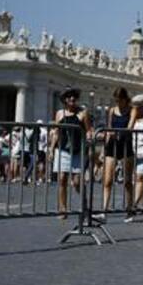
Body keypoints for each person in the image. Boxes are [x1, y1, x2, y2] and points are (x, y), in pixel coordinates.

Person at [51, 88, 89, 219]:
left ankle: (84, 204)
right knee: (62, 179)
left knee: (77, 182)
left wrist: (91, 138)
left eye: (74, 97)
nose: (72, 99)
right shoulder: (59, 114)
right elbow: (56, 132)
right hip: (62, 150)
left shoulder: (83, 113)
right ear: (65, 100)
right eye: (69, 97)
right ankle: (63, 209)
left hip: (78, 151)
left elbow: (89, 130)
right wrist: (51, 149)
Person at [101, 86, 135, 219]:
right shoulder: (111, 111)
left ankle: (129, 208)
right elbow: (109, 128)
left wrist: (118, 132)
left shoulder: (132, 110)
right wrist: (104, 149)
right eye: (116, 100)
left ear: (125, 99)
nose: (118, 103)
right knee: (108, 180)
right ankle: (104, 209)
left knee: (127, 181)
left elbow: (130, 127)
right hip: (112, 145)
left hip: (126, 144)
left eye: (120, 100)